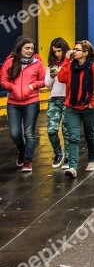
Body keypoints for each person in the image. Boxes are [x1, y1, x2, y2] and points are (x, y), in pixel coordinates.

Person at [58, 40, 94, 178]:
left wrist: (93, 103)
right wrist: (66, 60)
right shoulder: (70, 66)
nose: (73, 51)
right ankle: (72, 167)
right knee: (73, 137)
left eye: (77, 49)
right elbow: (61, 78)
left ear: (85, 53)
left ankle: (92, 159)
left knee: (89, 134)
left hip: (89, 108)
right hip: (72, 107)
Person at [0, 36, 45, 172]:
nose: (30, 51)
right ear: (20, 48)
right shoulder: (10, 62)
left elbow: (43, 81)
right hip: (13, 103)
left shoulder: (37, 63)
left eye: (32, 48)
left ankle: (27, 161)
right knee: (15, 133)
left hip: (31, 102)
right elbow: (3, 80)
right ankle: (22, 151)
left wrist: (32, 87)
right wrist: (12, 87)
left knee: (29, 133)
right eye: (27, 48)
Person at [45, 38, 71, 169]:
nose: (57, 54)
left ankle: (68, 156)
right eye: (55, 51)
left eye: (59, 51)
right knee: (51, 130)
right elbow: (47, 85)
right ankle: (58, 153)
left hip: (67, 99)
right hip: (54, 99)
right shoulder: (51, 65)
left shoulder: (71, 63)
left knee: (67, 131)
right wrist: (51, 75)